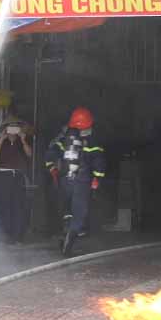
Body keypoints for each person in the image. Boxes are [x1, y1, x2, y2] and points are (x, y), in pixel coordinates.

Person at [45, 107, 105, 256]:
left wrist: (52, 169)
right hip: (82, 181)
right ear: (89, 123)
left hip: (64, 179)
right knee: (80, 212)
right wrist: (97, 179)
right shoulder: (92, 141)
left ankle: (66, 228)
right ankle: (69, 241)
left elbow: (50, 154)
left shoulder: (63, 138)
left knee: (66, 207)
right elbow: (99, 163)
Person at [0, 115, 33, 242]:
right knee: (5, 205)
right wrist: (2, 138)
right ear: (6, 129)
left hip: (18, 175)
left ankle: (17, 236)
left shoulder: (22, 140)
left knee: (18, 205)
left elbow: (29, 153)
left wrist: (23, 140)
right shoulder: (1, 140)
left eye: (15, 127)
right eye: (10, 127)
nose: (13, 130)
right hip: (4, 175)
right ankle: (6, 235)